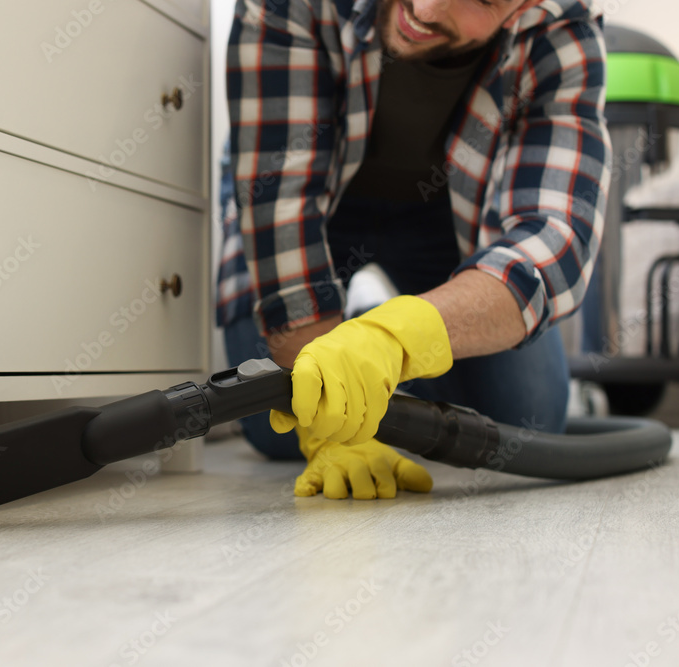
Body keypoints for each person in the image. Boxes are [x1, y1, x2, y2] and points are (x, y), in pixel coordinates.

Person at [216, 0, 611, 500]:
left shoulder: (562, 31)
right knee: (266, 423)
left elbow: (553, 236)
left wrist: (402, 337)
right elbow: (281, 207)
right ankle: (352, 335)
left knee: (528, 418)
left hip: (447, 221)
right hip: (313, 201)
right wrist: (327, 423)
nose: (424, 9)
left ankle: (370, 332)